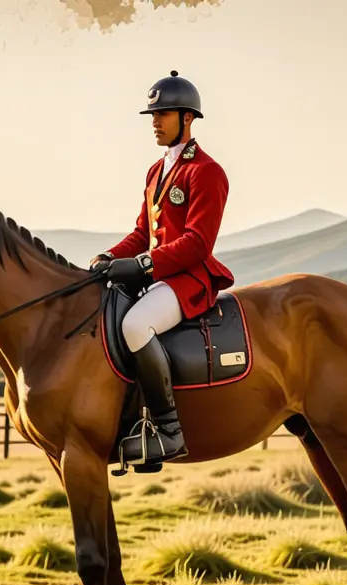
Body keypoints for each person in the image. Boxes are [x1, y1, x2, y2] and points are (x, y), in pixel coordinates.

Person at [90, 70, 235, 467]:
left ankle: (169, 431)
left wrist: (141, 265)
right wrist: (107, 258)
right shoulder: (156, 172)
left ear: (187, 119)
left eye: (163, 114)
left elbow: (197, 243)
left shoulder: (206, 171)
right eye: (152, 115)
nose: (154, 122)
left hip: (189, 279)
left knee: (135, 326)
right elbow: (142, 232)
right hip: (157, 277)